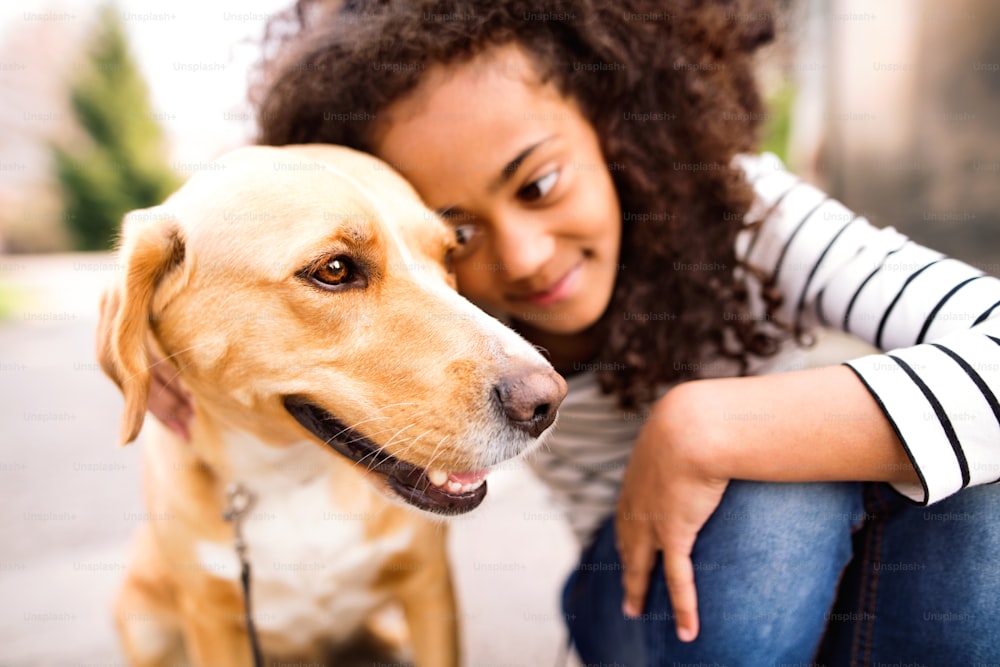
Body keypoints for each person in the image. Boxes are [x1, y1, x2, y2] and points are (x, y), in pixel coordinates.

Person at [144, 1, 1000, 663]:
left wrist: (703, 424)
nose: (521, 256)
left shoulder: (746, 212)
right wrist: (161, 321)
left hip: (847, 565)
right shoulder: (446, 300)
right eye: (458, 230)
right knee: (783, 499)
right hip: (641, 591)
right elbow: (278, 233)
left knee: (959, 482)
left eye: (541, 182)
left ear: (613, 120)